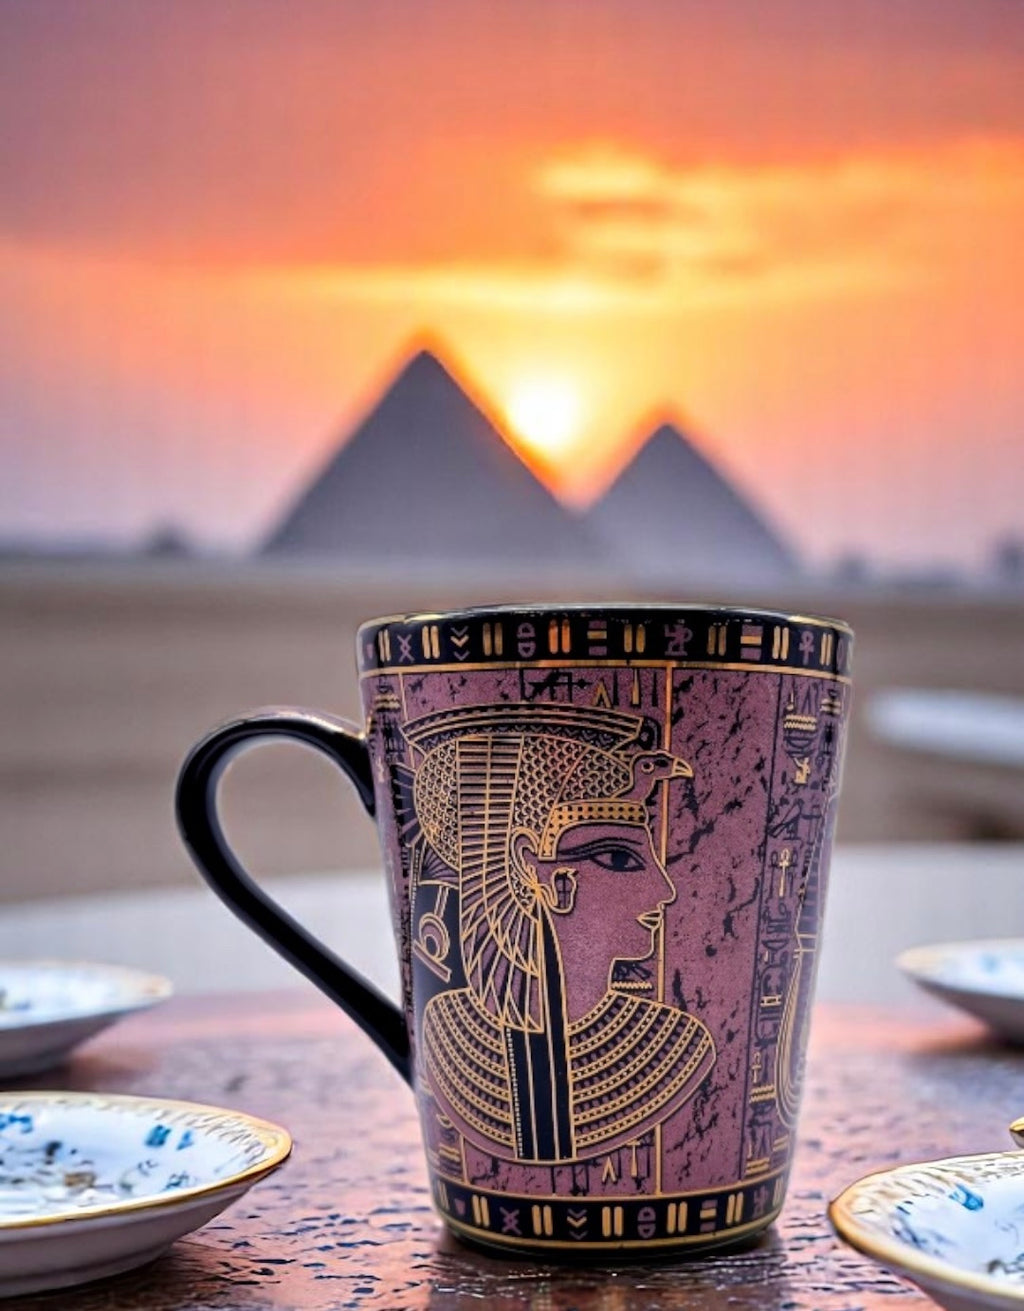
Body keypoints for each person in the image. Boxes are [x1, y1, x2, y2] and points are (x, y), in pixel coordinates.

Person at [401, 702, 716, 1166]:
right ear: (536, 871)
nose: (664, 890)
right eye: (619, 860)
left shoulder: (676, 1043)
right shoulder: (443, 1034)